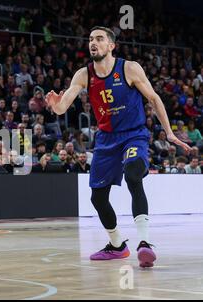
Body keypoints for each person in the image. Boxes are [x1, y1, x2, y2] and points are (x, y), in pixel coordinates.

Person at [45, 26, 191, 268]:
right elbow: (62, 107)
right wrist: (55, 104)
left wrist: (169, 133)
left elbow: (154, 98)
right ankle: (116, 245)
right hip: (106, 139)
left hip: (133, 135)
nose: (93, 43)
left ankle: (145, 243)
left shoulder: (129, 68)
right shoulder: (83, 75)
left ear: (111, 45)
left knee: (133, 174)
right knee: (98, 198)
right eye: (91, 39)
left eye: (99, 39)